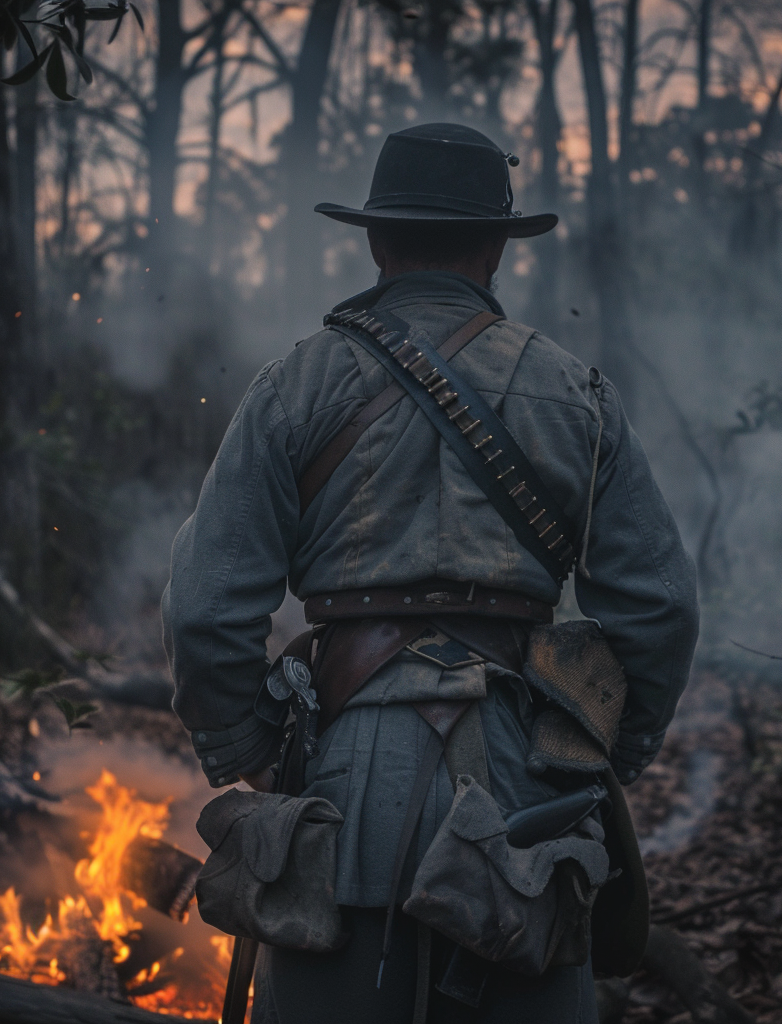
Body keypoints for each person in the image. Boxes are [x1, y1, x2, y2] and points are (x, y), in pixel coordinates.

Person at [163, 122, 699, 1024]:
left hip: (342, 786)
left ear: (375, 238)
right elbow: (661, 610)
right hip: (530, 784)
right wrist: (596, 755)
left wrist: (253, 751)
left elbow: (204, 613)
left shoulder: (293, 385)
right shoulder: (578, 393)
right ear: (497, 245)